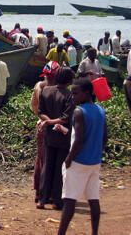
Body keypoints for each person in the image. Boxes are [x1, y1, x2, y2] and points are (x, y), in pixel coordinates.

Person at [58, 78, 108, 235]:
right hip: (94, 162)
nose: (72, 97)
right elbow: (105, 138)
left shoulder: (79, 112)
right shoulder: (100, 110)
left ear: (87, 93)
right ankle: (94, 233)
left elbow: (78, 140)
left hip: (78, 162)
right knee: (93, 199)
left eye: (75, 93)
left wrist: (69, 158)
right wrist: (96, 152)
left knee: (69, 201)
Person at [37, 66, 75, 210]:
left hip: (49, 135)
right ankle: (56, 200)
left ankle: (42, 199)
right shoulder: (69, 95)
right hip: (63, 136)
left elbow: (41, 112)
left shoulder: (46, 91)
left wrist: (48, 121)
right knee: (60, 167)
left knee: (47, 166)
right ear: (69, 80)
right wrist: (53, 122)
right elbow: (65, 118)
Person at [30, 61, 60, 204]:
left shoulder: (39, 86)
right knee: (54, 159)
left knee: (41, 158)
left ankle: (39, 192)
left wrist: (41, 118)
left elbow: (34, 106)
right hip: (57, 127)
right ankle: (51, 194)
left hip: (42, 125)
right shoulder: (60, 89)